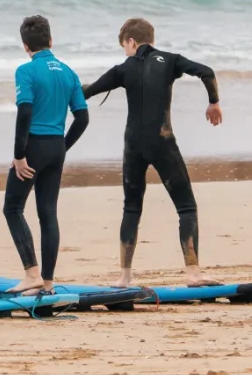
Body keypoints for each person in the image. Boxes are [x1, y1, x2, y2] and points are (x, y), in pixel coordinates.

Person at [83, 17, 223, 288]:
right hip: (163, 141)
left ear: (132, 42)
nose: (125, 52)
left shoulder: (122, 68)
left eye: (124, 46)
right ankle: (193, 274)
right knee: (186, 207)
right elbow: (206, 71)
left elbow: (86, 92)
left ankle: (124, 277)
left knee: (131, 208)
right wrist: (213, 103)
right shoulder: (171, 60)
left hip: (133, 145)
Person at [3, 15, 89, 295]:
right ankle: (48, 282)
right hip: (56, 148)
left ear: (25, 46)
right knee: (47, 213)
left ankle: (32, 275)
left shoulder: (25, 71)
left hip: (34, 148)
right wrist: (64, 145)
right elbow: (82, 118)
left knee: (13, 208)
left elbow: (25, 111)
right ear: (51, 41)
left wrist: (19, 154)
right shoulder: (68, 72)